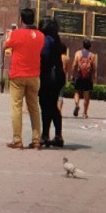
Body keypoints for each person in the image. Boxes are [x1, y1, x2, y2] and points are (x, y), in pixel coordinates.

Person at [3, 7, 45, 149]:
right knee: (34, 108)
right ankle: (36, 140)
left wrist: (8, 38)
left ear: (21, 19)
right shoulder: (41, 35)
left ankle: (17, 140)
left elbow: (5, 46)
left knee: (17, 107)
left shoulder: (16, 34)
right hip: (34, 75)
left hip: (18, 74)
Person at [38, 18, 66, 147]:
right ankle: (58, 135)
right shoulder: (57, 39)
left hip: (48, 76)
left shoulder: (46, 40)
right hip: (59, 75)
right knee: (53, 106)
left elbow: (44, 56)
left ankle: (45, 135)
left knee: (45, 106)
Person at [72, 38, 97, 118]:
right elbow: (94, 68)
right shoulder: (92, 55)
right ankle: (85, 113)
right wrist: (93, 77)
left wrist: (73, 75)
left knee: (77, 92)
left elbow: (74, 65)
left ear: (83, 45)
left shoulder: (78, 53)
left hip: (79, 76)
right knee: (87, 95)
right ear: (90, 46)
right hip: (88, 78)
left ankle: (77, 104)